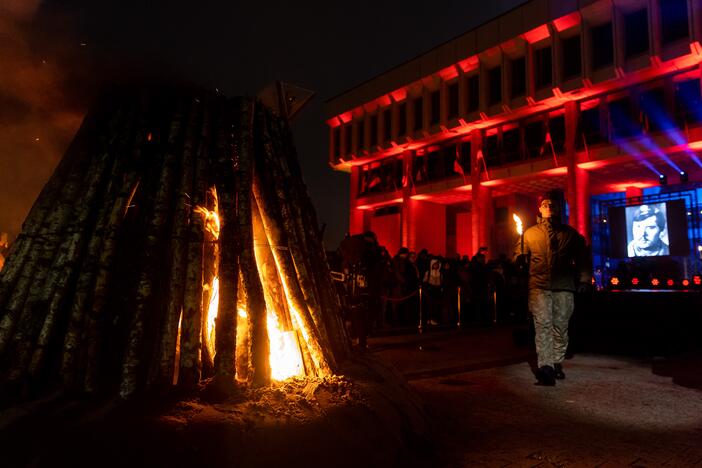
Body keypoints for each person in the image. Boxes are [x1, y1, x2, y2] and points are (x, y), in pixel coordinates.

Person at [516, 192, 590, 386]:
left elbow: (582, 258)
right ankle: (546, 367)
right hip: (539, 286)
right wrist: (519, 260)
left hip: (564, 286)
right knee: (543, 325)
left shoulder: (570, 234)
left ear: (558, 209)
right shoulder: (530, 234)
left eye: (552, 205)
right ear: (539, 209)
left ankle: (557, 361)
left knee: (561, 326)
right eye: (545, 204)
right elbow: (519, 255)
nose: (548, 207)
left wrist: (584, 280)